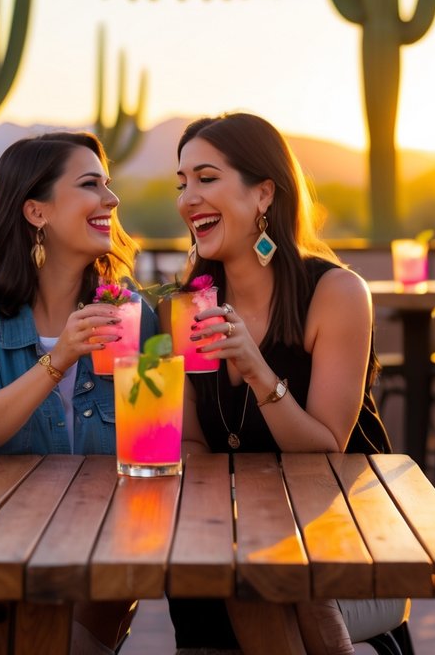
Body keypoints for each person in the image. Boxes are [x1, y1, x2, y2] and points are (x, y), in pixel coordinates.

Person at [164, 113, 404, 655]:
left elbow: (324, 449)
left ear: (263, 194)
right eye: (182, 184)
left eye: (206, 178)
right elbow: (190, 443)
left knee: (251, 564)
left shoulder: (336, 293)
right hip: (230, 527)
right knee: (223, 562)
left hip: (339, 520)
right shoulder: (184, 309)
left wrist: (255, 369)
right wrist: (227, 511)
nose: (188, 199)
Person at [0, 131, 157, 654]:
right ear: (37, 212)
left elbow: (155, 444)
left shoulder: (131, 314)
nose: (111, 200)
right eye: (90, 185)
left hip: (105, 559)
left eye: (109, 184)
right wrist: (59, 358)